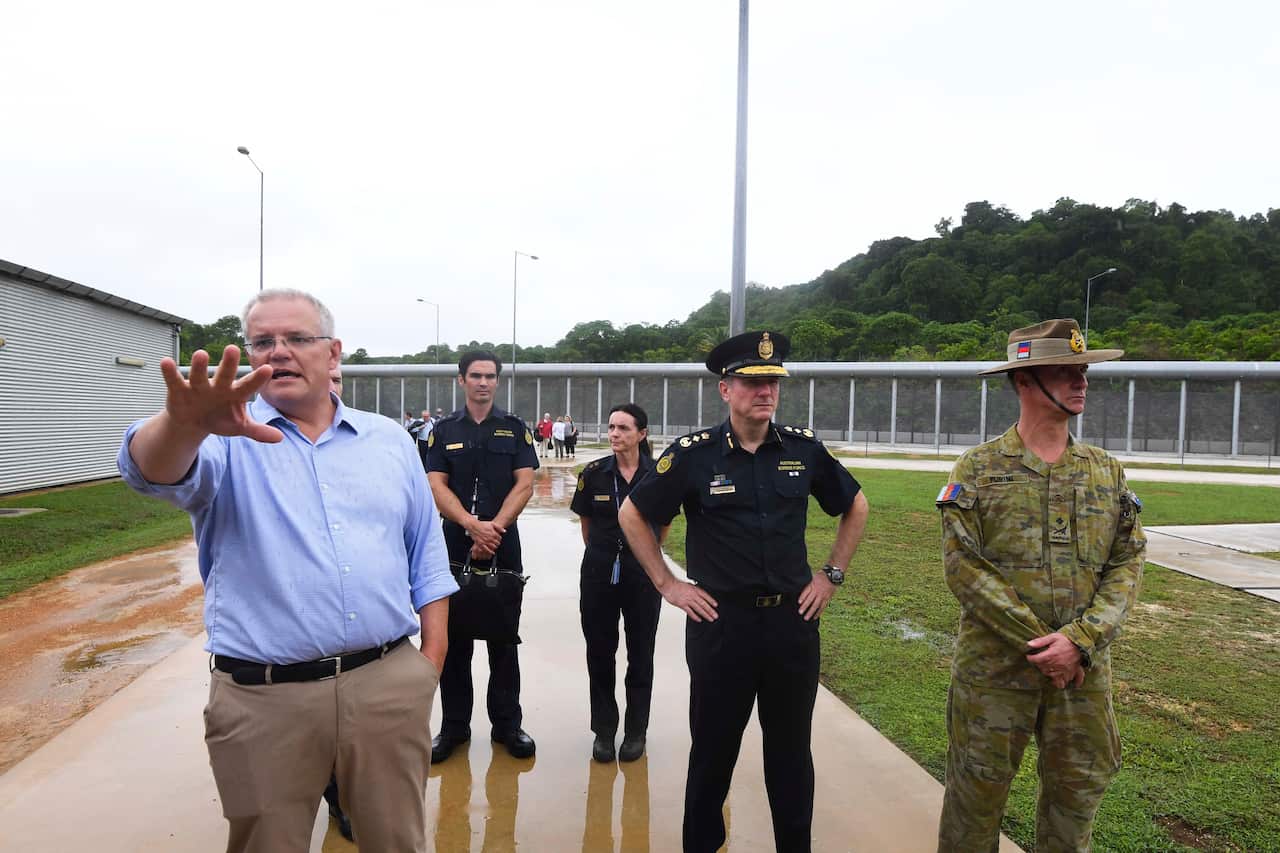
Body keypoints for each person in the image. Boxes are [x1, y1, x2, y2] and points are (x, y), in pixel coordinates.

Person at [117, 288, 455, 853]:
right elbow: (152, 471)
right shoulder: (226, 440)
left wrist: (427, 668)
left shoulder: (389, 441)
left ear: (333, 353)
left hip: (387, 685)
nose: (279, 352)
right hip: (265, 701)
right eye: (263, 341)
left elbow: (426, 554)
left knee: (398, 841)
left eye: (298, 338)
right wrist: (183, 425)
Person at [619, 331, 870, 853]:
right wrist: (668, 583)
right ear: (726, 390)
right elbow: (633, 514)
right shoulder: (694, 454)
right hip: (720, 625)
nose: (766, 391)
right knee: (712, 752)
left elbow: (856, 505)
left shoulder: (803, 448)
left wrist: (831, 576)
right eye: (753, 382)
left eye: (772, 381)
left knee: (791, 753)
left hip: (791, 626)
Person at [935, 319, 1146, 852]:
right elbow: (964, 567)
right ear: (1025, 381)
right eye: (1066, 371)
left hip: (1081, 676)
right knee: (973, 804)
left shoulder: (1105, 471)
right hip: (994, 676)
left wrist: (1079, 641)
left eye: (1083, 370)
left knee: (1074, 804)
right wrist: (1041, 644)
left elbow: (1128, 560)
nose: (1082, 381)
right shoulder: (980, 468)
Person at [426, 351, 539, 762]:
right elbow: (435, 483)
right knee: (452, 640)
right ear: (461, 380)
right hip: (453, 545)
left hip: (503, 545)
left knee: (503, 639)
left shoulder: (514, 429)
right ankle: (454, 728)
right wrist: (472, 526)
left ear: (498, 381)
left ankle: (508, 726)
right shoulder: (442, 431)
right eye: (475, 375)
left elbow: (524, 484)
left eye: (490, 376)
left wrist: (493, 529)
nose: (483, 383)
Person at [570, 403, 665, 763]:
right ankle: (604, 731)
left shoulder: (659, 474)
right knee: (600, 652)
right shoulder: (593, 473)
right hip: (599, 573)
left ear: (641, 434)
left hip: (643, 574)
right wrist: (605, 554)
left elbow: (664, 526)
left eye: (623, 428)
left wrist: (644, 556)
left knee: (641, 654)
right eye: (611, 427)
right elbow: (587, 526)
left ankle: (636, 730)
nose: (614, 434)